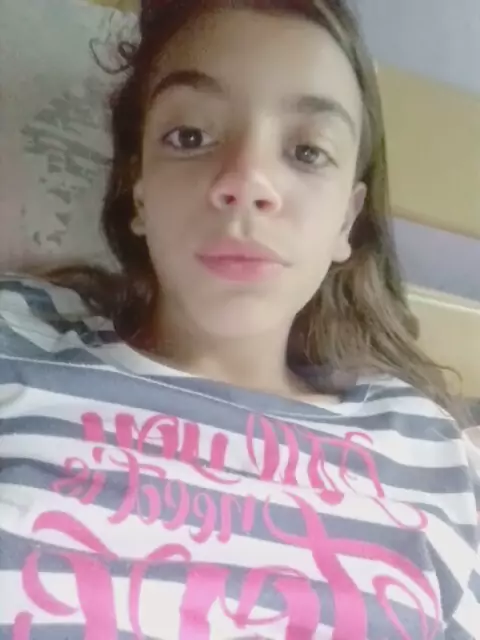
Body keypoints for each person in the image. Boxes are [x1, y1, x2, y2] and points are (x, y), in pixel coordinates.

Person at [0, 0, 478, 637]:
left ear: (346, 219)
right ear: (138, 191)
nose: (247, 181)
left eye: (307, 151)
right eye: (190, 137)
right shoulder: (16, 342)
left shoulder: (425, 447)